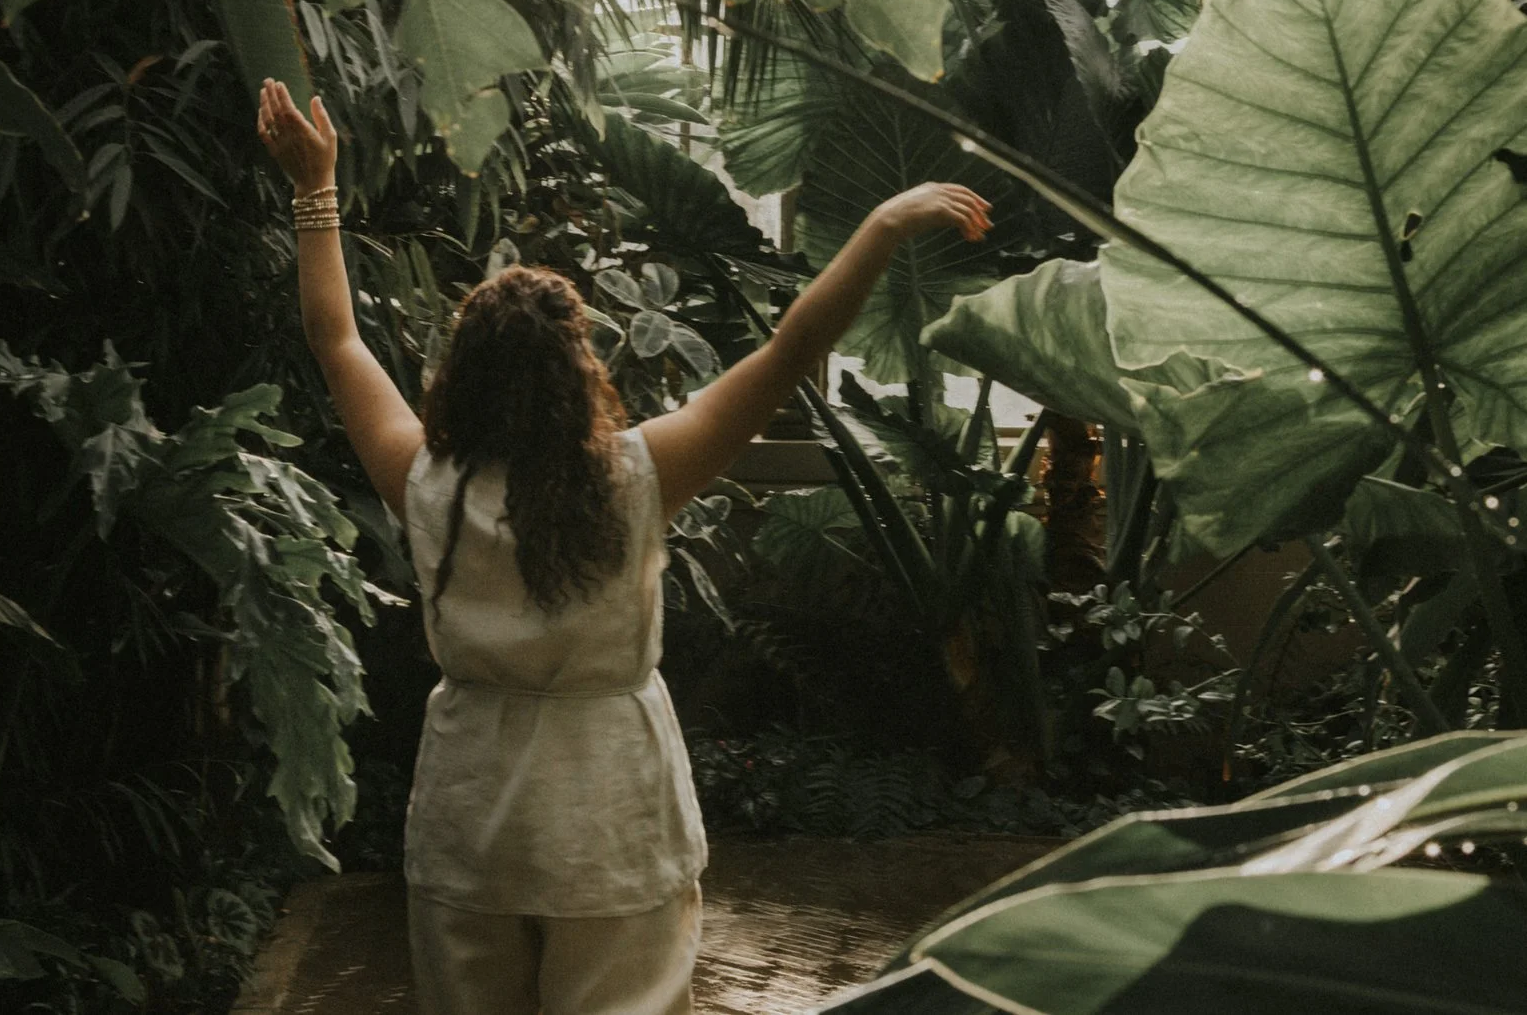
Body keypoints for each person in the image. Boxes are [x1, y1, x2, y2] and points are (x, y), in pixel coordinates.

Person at [254, 79, 990, 1015]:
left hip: (470, 819)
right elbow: (790, 352)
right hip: (610, 821)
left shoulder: (424, 481)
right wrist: (881, 226)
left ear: (462, 377)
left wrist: (314, 187)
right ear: (579, 375)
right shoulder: (637, 477)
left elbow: (336, 340)